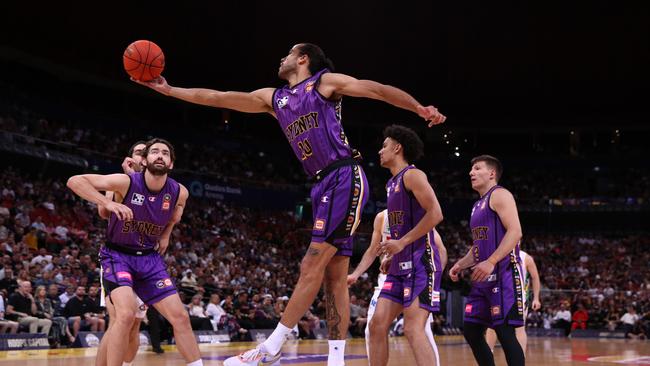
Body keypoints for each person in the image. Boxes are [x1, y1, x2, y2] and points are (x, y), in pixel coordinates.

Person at [134, 43, 446, 366]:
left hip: (344, 177)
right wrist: (170, 91)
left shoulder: (324, 83)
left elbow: (376, 90)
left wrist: (418, 108)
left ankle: (272, 346)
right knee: (334, 276)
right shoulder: (275, 98)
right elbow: (218, 96)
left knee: (311, 263)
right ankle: (336, 359)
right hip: (322, 183)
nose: (281, 57)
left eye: (288, 52)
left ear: (303, 58)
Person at [66, 138, 202, 366]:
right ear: (145, 160)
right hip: (117, 256)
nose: (160, 155)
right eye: (155, 152)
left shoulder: (180, 192)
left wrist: (167, 233)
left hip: (149, 259)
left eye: (165, 153)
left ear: (171, 164)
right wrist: (107, 202)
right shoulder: (126, 181)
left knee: (180, 317)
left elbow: (177, 212)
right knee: (124, 316)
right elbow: (74, 181)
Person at [365, 125, 444, 366]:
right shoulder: (391, 184)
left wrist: (402, 243)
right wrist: (394, 255)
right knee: (376, 325)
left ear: (397, 148)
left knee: (413, 329)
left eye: (384, 146)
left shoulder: (413, 175)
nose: (380, 151)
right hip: (399, 267)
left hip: (422, 263)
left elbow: (436, 214)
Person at [449, 155, 525, 366]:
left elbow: (516, 232)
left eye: (477, 168)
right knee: (472, 330)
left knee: (505, 332)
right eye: (471, 169)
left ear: (492, 173)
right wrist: (460, 264)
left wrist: (491, 260)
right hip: (483, 278)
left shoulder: (500, 194)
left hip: (504, 274)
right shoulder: (477, 205)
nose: (471, 173)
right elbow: (478, 247)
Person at [348, 208, 446, 365]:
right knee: (373, 328)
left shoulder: (415, 214)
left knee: (420, 330)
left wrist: (434, 279)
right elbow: (373, 250)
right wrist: (355, 274)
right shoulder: (382, 217)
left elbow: (440, 250)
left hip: (418, 273)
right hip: (390, 277)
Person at [95, 141, 153, 366]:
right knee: (118, 319)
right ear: (131, 158)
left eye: (145, 153)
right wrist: (121, 188)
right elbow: (103, 211)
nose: (142, 156)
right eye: (138, 152)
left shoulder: (158, 186)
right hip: (117, 258)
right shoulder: (119, 181)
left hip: (145, 261)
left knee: (135, 323)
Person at [485, 250, 541, 353]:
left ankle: (520, 357)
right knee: (492, 325)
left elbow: (535, 278)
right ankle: (488, 355)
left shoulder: (526, 258)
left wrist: (536, 298)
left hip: (519, 297)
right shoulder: (497, 254)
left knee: (519, 327)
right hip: (498, 295)